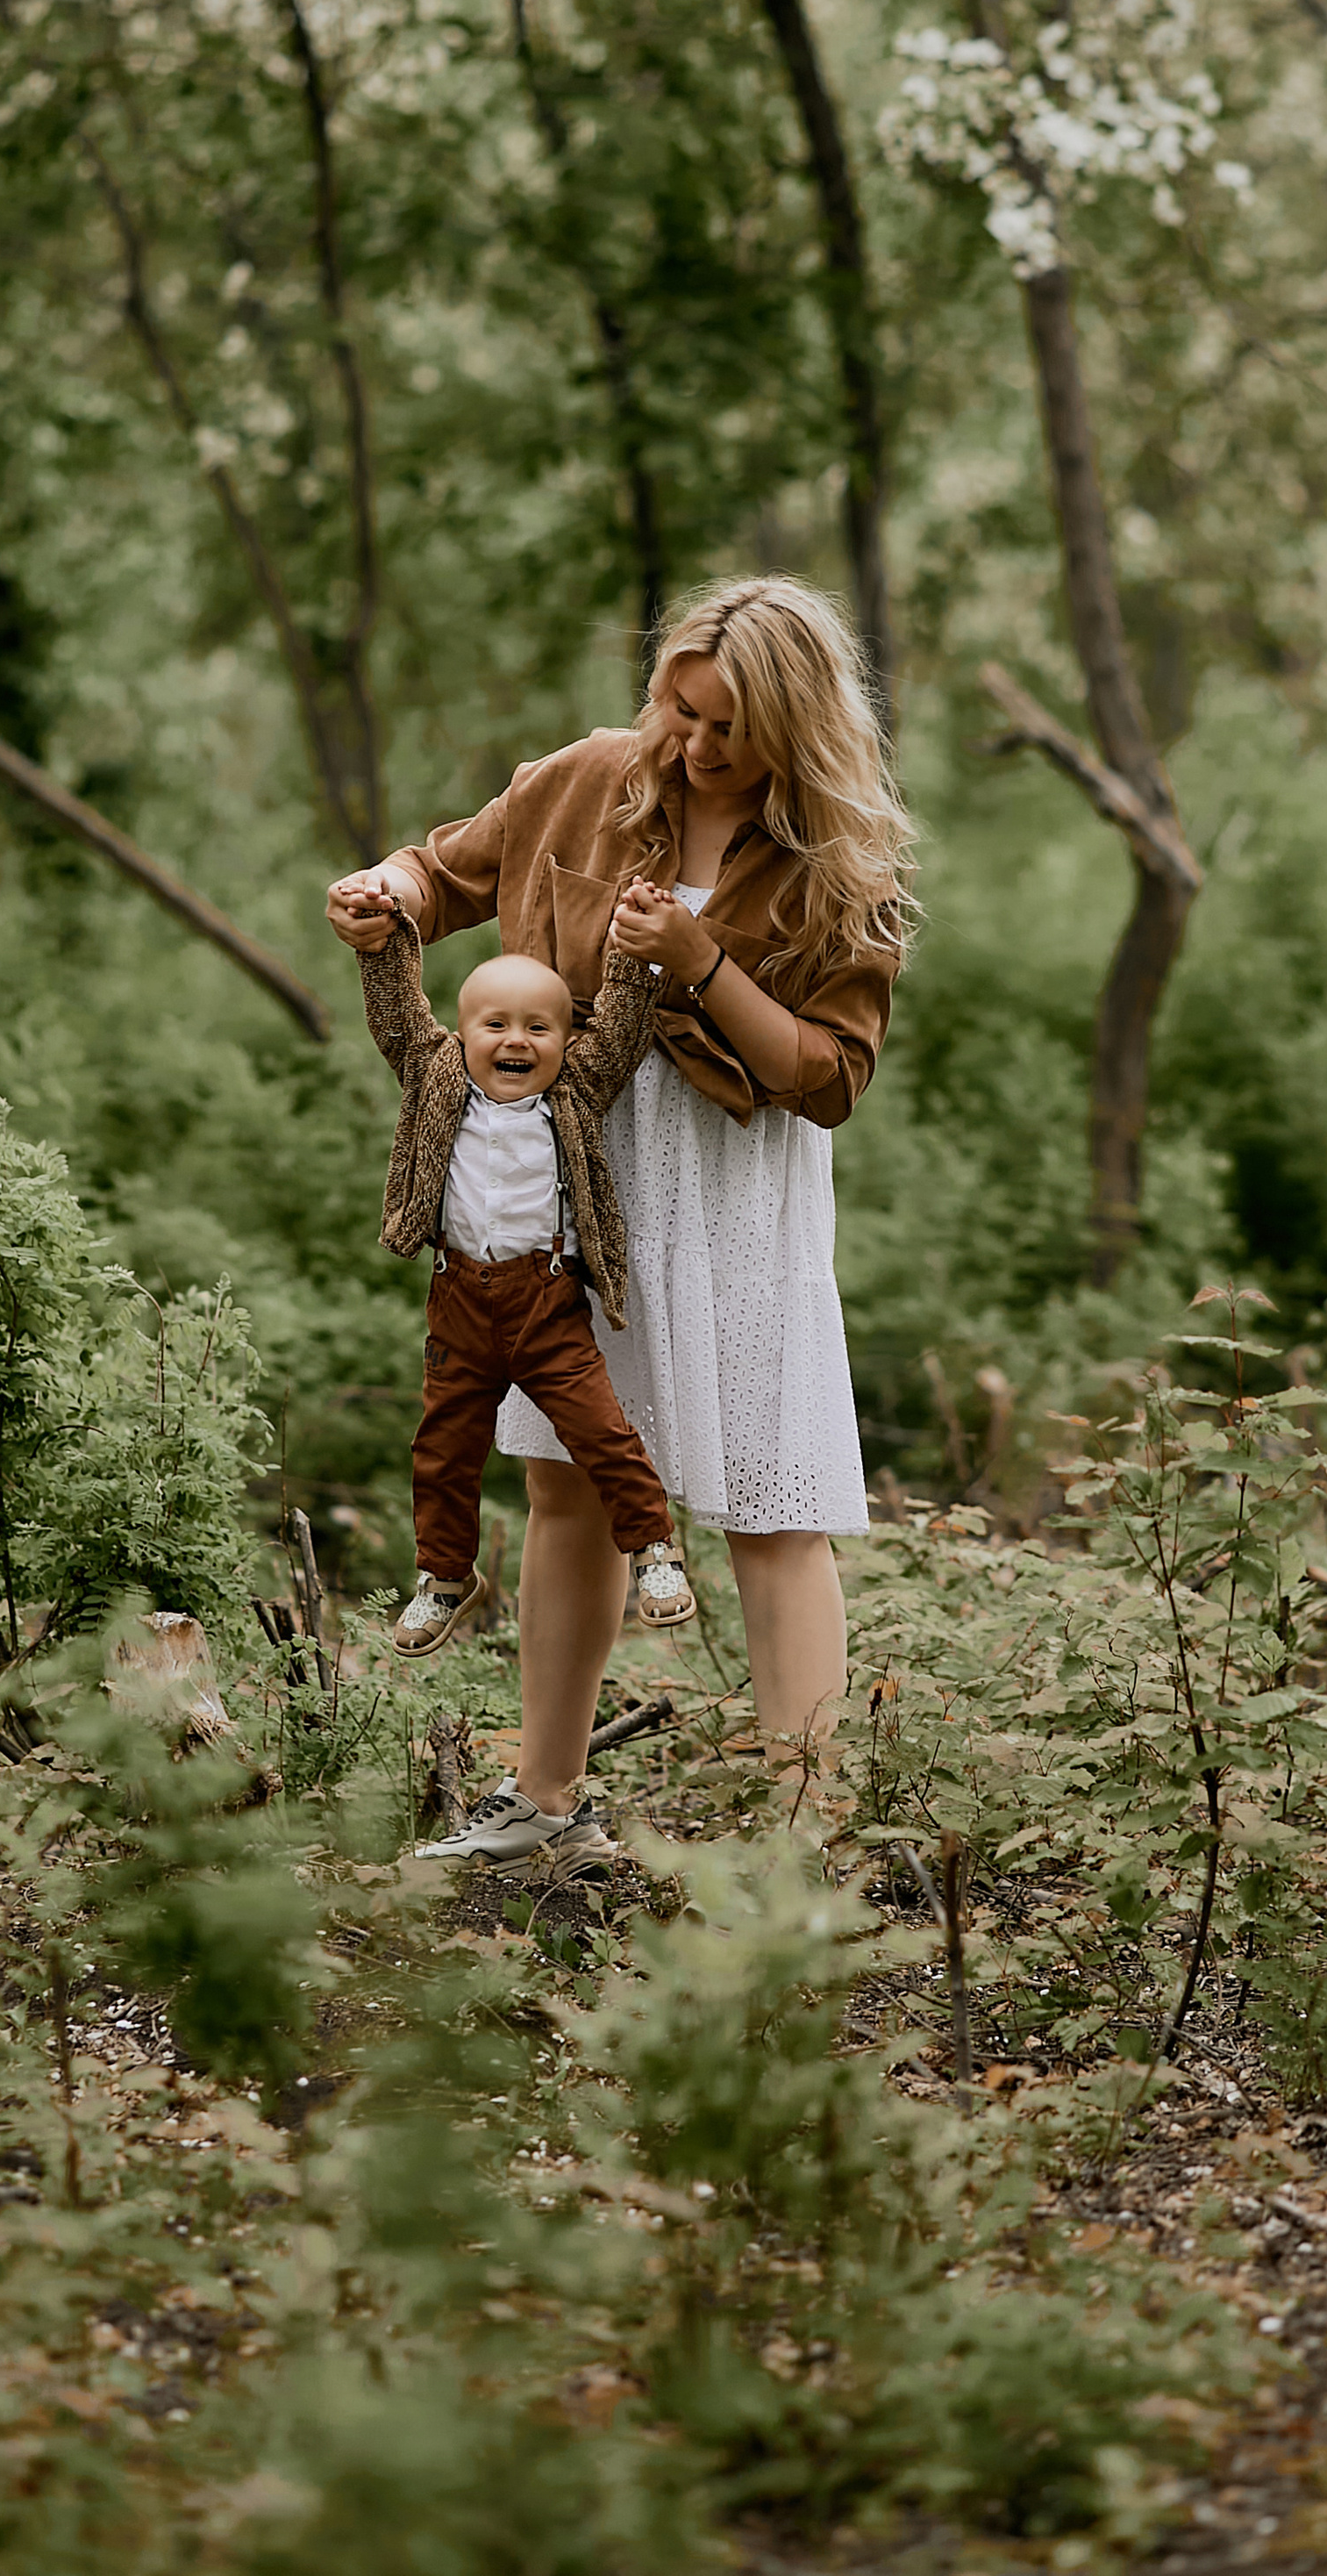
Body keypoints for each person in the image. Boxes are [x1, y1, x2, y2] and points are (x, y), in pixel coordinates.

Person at [327, 575, 911, 1866]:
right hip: (575, 1178)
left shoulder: (834, 862)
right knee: (567, 1483)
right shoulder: (592, 778)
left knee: (772, 1500)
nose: (690, 747)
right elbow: (445, 871)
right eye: (679, 709)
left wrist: (703, 966)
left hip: (734, 1187)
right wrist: (386, 893)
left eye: (726, 729)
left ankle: (805, 1847)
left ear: (797, 730)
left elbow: (827, 1079)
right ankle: (544, 1806)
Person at [353, 911, 695, 1657]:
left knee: (602, 1432)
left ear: (568, 1040)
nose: (517, 1041)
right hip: (459, 1300)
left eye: (540, 1028)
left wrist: (633, 956)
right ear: (462, 1034)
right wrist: (380, 943)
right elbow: (398, 1018)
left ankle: (655, 1550)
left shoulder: (574, 1092)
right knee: (442, 1450)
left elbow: (625, 1029)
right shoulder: (438, 1076)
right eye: (496, 1025)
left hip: (546, 1301)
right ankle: (444, 1575)